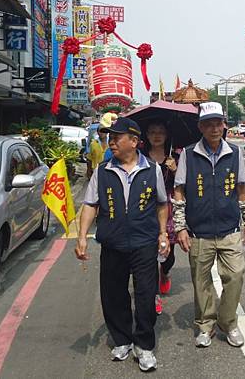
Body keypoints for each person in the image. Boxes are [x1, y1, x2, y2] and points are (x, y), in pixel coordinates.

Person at [75, 117, 170, 372]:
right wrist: (82, 236)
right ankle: (122, 340)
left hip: (144, 243)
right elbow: (90, 204)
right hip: (113, 243)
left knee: (146, 295)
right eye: (111, 137)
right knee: (113, 294)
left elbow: (162, 203)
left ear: (134, 142)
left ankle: (144, 345)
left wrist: (163, 233)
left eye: (117, 137)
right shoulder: (103, 170)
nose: (112, 141)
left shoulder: (152, 169)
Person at [172, 102, 245, 349]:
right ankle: (205, 325)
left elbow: (241, 189)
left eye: (218, 123)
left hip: (230, 230)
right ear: (200, 127)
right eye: (208, 124)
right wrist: (180, 227)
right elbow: (179, 192)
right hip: (199, 232)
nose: (214, 128)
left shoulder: (235, 153)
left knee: (235, 275)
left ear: (224, 125)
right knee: (201, 281)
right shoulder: (188, 154)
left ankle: (228, 323)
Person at [144, 120, 178, 315]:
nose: (156, 135)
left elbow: (184, 184)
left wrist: (174, 169)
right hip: (146, 208)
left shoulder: (176, 156)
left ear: (167, 135)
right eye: (152, 131)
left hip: (169, 208)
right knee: (148, 255)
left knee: (168, 254)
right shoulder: (140, 157)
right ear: (146, 135)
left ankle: (164, 273)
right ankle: (153, 293)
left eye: (161, 132)